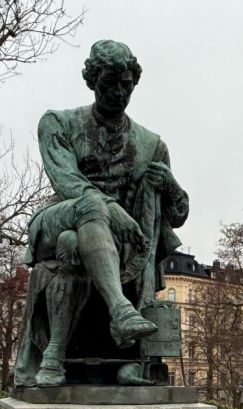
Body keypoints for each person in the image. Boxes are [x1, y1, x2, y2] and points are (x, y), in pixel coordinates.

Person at [14, 39, 188, 387]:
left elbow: (178, 216)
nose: (119, 93)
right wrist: (110, 208)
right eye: (110, 83)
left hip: (108, 243)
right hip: (57, 218)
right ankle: (121, 311)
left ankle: (57, 357)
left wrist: (172, 187)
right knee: (87, 210)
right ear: (92, 80)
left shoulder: (151, 144)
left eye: (127, 85)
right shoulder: (58, 123)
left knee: (73, 243)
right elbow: (67, 181)